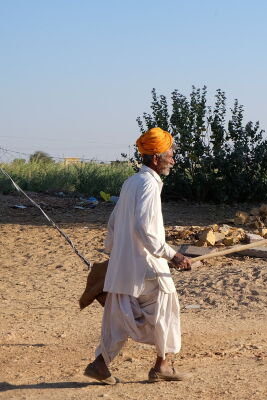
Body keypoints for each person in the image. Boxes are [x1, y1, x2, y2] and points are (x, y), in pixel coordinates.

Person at [83, 127, 192, 384]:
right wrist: (172, 255)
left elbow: (113, 221)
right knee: (167, 307)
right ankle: (162, 365)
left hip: (124, 267)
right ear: (155, 158)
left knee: (119, 317)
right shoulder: (148, 185)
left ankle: (101, 364)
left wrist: (115, 253)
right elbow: (145, 228)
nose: (173, 159)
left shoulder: (131, 182)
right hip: (146, 266)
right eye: (170, 154)